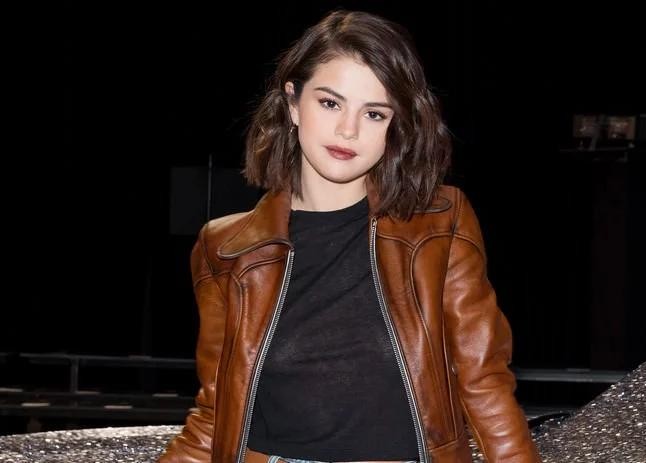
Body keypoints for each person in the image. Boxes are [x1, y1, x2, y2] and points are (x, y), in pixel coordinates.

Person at [158, 9, 541, 463]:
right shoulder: (224, 248)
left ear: (394, 126)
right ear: (292, 103)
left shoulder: (439, 223)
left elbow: (483, 381)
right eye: (330, 103)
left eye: (374, 113)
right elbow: (216, 412)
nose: (348, 130)